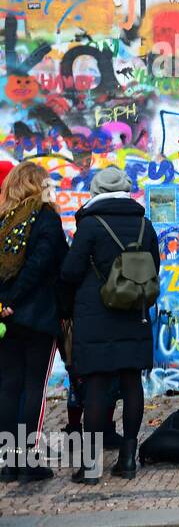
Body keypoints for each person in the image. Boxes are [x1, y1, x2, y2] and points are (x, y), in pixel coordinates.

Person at [60, 167, 160, 483]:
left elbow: (70, 271)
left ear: (96, 191)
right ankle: (127, 460)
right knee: (132, 382)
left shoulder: (90, 225)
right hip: (134, 313)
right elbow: (154, 267)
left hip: (96, 315)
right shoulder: (144, 224)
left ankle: (91, 467)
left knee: (96, 385)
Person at [0, 162, 68, 482]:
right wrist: (14, 300)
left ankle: (8, 463)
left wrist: (4, 303)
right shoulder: (46, 218)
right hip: (37, 316)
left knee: (8, 386)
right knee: (33, 389)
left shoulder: (3, 220)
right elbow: (45, 264)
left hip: (5, 319)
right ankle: (28, 462)